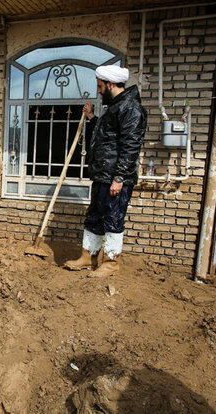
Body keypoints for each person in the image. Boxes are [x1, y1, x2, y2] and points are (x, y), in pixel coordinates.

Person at [64, 65, 147, 277]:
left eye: (101, 86)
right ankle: (88, 257)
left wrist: (119, 177)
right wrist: (92, 117)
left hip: (115, 178)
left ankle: (110, 263)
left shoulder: (131, 108)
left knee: (113, 218)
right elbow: (107, 135)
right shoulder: (116, 107)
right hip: (103, 175)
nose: (99, 91)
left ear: (110, 85)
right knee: (94, 216)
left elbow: (130, 146)